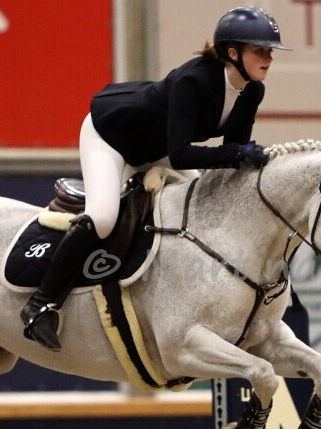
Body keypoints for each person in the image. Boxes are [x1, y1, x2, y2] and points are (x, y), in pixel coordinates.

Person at [21, 7, 291, 350]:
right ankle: (41, 305)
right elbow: (182, 155)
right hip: (112, 137)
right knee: (102, 218)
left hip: (157, 146)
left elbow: (231, 155)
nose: (268, 58)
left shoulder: (252, 91)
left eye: (270, 51)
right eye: (260, 50)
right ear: (232, 53)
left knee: (202, 206)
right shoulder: (194, 81)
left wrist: (253, 161)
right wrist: (239, 154)